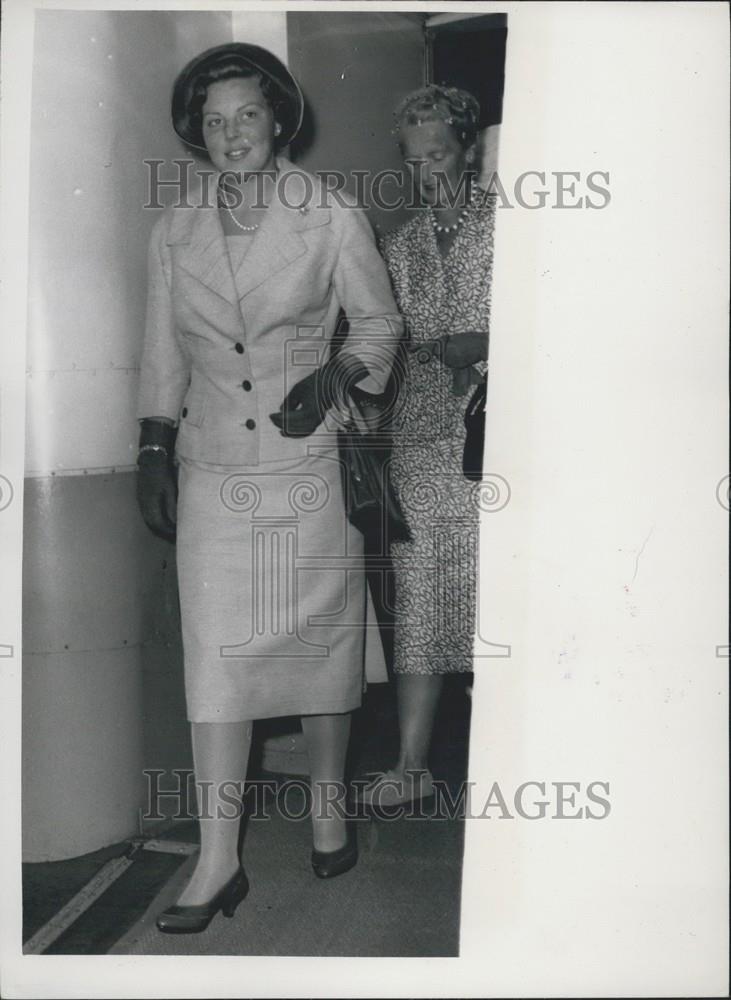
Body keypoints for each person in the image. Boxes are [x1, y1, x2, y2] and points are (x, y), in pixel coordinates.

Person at [136, 43, 401, 932]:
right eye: (213, 121)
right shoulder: (173, 229)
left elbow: (378, 322)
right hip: (213, 465)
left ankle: (328, 806)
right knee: (216, 659)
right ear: (195, 132)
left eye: (246, 114)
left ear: (277, 119)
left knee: (318, 651)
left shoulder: (327, 215)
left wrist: (334, 380)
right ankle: (218, 860)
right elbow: (163, 349)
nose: (230, 133)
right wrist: (151, 444)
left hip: (305, 463)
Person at [359, 85, 494, 807]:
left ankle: (513, 757)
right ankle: (411, 767)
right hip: (416, 445)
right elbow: (385, 348)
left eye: (437, 154)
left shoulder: (511, 227)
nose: (425, 173)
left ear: (468, 149)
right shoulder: (399, 245)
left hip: (495, 443)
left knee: (498, 603)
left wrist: (488, 342)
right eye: (412, 161)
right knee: (419, 605)